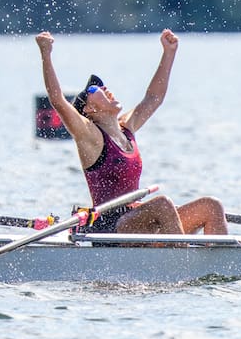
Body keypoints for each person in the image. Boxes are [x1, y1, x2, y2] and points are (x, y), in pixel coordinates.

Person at [35, 29, 228, 236]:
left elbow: (154, 97)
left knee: (211, 206)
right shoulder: (90, 136)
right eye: (94, 89)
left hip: (139, 220)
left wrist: (169, 52)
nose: (105, 88)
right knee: (162, 204)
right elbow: (57, 100)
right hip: (111, 227)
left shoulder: (126, 127)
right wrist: (46, 54)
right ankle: (180, 262)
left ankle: (221, 264)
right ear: (89, 110)